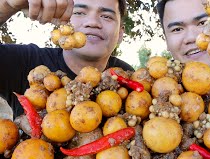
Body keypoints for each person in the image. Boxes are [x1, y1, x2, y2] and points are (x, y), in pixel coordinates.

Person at [0, 0, 134, 118]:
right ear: (62, 22)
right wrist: (6, 6)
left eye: (106, 16)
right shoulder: (26, 61)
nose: (93, 22)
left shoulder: (127, 76)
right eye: (79, 13)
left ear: (121, 33)